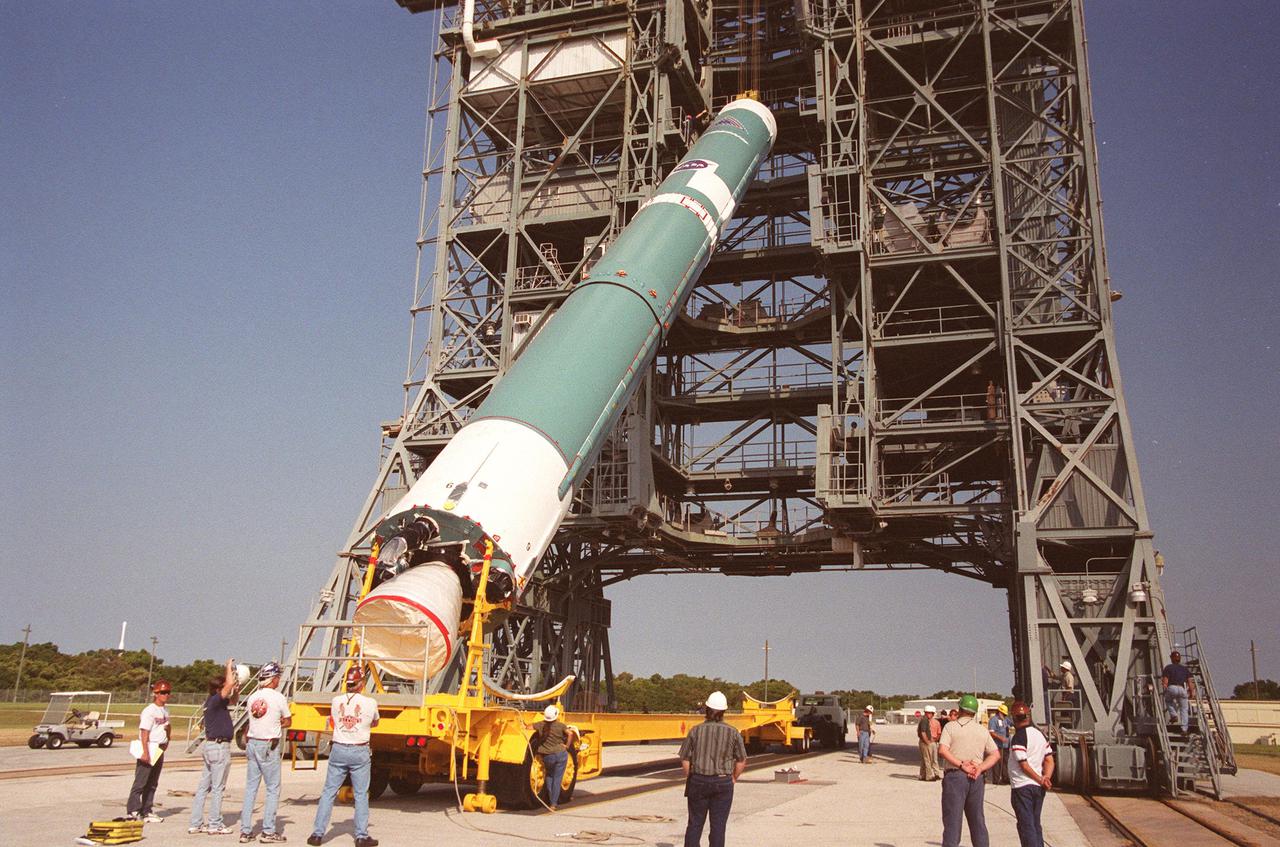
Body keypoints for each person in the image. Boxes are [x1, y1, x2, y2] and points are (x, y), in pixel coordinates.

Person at [308, 666, 380, 847]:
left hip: (339, 749)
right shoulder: (370, 703)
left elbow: (334, 720)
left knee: (328, 792)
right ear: (361, 684)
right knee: (361, 794)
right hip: (359, 750)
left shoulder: (335, 701)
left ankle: (317, 834)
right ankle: (361, 836)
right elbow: (375, 722)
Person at [679, 691, 747, 847]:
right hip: (723, 782)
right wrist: (734, 778)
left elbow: (684, 757)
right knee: (718, 826)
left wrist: (691, 776)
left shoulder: (695, 731)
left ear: (707, 710)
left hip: (698, 781)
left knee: (695, 824)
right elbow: (742, 760)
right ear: (724, 711)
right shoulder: (733, 732)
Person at [938, 694, 1000, 847]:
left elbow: (942, 750)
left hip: (955, 777)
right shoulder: (982, 730)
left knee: (953, 821)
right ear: (974, 712)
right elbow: (995, 754)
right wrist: (980, 768)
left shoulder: (950, 727)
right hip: (976, 778)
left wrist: (960, 765)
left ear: (960, 709)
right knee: (977, 820)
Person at [240, 662, 291, 843]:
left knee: (251, 789)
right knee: (272, 789)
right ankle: (268, 831)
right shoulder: (278, 698)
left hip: (253, 743)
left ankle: (245, 831)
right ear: (273, 678)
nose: (279, 680)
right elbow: (287, 721)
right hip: (269, 745)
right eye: (277, 677)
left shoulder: (252, 697)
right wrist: (277, 724)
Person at [190, 660, 240, 835]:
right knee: (218, 788)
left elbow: (233, 699)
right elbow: (229, 687)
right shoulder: (215, 701)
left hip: (211, 747)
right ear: (219, 689)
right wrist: (229, 668)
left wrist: (236, 688)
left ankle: (195, 823)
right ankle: (214, 823)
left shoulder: (215, 702)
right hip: (219, 747)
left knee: (204, 787)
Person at [1008, 701, 1054, 847]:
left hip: (1022, 787)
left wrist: (1041, 779)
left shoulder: (1019, 737)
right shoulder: (1040, 735)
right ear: (1028, 716)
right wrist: (1046, 778)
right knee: (1035, 824)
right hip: (1038, 789)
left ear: (1014, 718)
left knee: (1026, 826)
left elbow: (1024, 765)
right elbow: (1049, 760)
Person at [126, 679, 172, 822]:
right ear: (156, 693)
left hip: (159, 748)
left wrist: (167, 741)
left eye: (168, 692)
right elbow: (144, 732)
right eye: (163, 693)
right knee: (141, 782)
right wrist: (145, 752)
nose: (166, 695)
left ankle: (147, 810)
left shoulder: (165, 710)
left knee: (153, 782)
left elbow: (167, 726)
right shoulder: (149, 711)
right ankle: (133, 809)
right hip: (149, 747)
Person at [531, 704, 572, 811]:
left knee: (549, 776)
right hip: (561, 754)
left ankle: (550, 799)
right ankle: (553, 803)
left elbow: (528, 727)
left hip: (548, 756)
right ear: (556, 715)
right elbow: (570, 733)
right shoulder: (561, 725)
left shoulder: (540, 725)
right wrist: (566, 746)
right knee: (557, 779)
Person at [1161, 650, 1195, 732]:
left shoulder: (1168, 668)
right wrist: (1192, 692)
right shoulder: (1185, 669)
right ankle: (1184, 729)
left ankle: (1174, 715)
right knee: (1184, 709)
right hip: (1182, 689)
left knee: (1168, 701)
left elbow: (1165, 681)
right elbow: (1190, 682)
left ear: (1172, 658)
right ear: (1179, 659)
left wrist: (1165, 688)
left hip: (1172, 687)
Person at [987, 703, 1012, 784]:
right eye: (1004, 714)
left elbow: (1012, 723)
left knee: (1005, 762)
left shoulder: (1006, 719)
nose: (1004, 716)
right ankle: (996, 779)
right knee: (997, 763)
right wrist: (1000, 737)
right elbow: (991, 732)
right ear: (999, 712)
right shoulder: (993, 720)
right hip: (998, 745)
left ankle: (1005, 778)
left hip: (1005, 745)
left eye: (1005, 715)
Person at [918, 705, 941, 781]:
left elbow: (938, 733)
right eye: (929, 713)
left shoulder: (925, 720)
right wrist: (927, 741)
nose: (930, 714)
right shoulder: (924, 720)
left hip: (930, 741)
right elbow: (923, 732)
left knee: (928, 759)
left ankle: (924, 775)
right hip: (926, 742)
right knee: (927, 760)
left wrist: (933, 740)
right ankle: (929, 776)